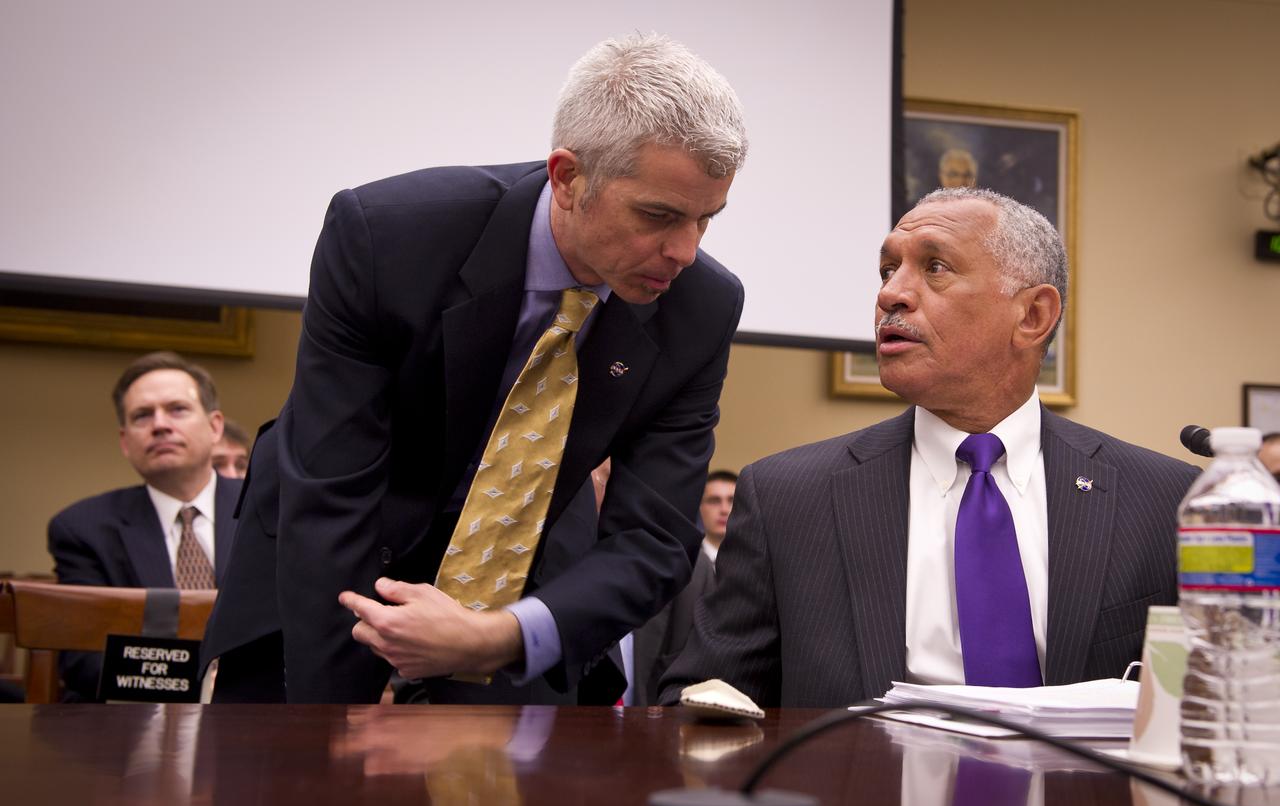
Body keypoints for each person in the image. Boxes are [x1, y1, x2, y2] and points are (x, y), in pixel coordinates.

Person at [202, 33, 748, 704]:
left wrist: (498, 635)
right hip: (321, 579)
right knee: (304, 792)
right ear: (567, 177)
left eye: (707, 219)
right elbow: (332, 486)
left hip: (524, 598)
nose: (685, 252)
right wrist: (334, 710)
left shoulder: (703, 308)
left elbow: (657, 536)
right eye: (658, 216)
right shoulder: (386, 236)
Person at [660, 187, 1200, 707]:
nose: (890, 293)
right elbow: (704, 700)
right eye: (887, 270)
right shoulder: (787, 499)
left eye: (934, 267)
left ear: (1033, 315)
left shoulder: (1164, 500)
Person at [48, 351, 241, 700]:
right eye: (142, 415)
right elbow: (83, 658)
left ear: (215, 427)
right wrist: (191, 686)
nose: (160, 424)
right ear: (125, 441)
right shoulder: (83, 529)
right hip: (133, 725)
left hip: (256, 720)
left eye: (177, 409)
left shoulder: (271, 510)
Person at [632, 469, 736, 704]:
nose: (724, 509)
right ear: (700, 506)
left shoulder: (751, 569)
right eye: (714, 500)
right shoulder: (682, 564)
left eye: (732, 500)